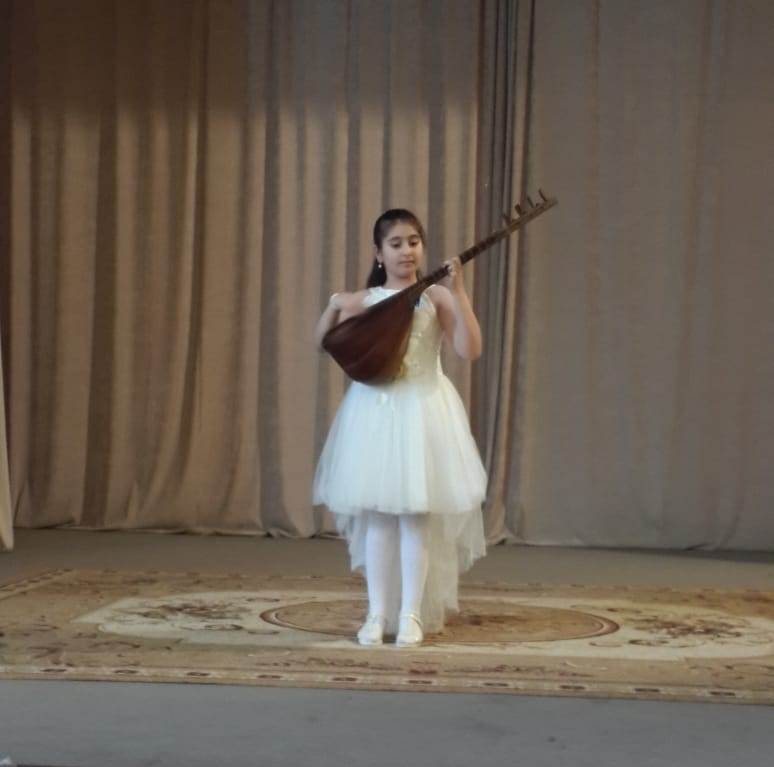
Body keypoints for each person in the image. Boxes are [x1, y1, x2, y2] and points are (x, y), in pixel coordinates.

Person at [313, 209, 487, 647]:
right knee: (379, 518)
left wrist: (459, 291)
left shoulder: (435, 297)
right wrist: (335, 303)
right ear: (379, 253)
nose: (406, 251)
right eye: (395, 244)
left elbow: (469, 349)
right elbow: (322, 342)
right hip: (376, 413)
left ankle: (410, 615)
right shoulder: (367, 300)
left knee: (414, 518)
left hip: (424, 410)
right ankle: (376, 613)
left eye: (413, 242)